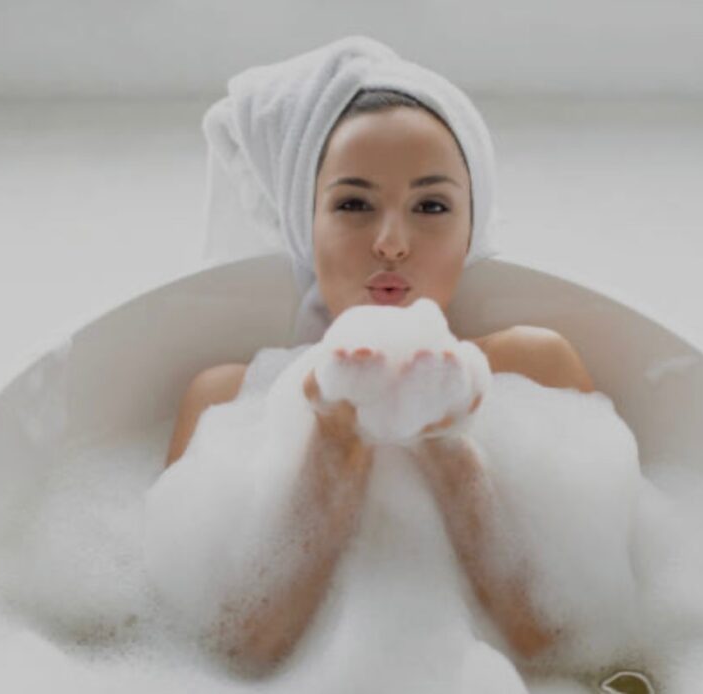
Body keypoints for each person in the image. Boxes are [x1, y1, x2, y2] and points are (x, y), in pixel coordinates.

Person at [164, 41, 594, 673]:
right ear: (302, 222)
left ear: (472, 226)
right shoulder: (227, 401)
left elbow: (561, 648)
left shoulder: (535, 370)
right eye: (354, 204)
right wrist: (333, 445)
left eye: (431, 206)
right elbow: (229, 653)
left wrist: (446, 441)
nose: (391, 242)